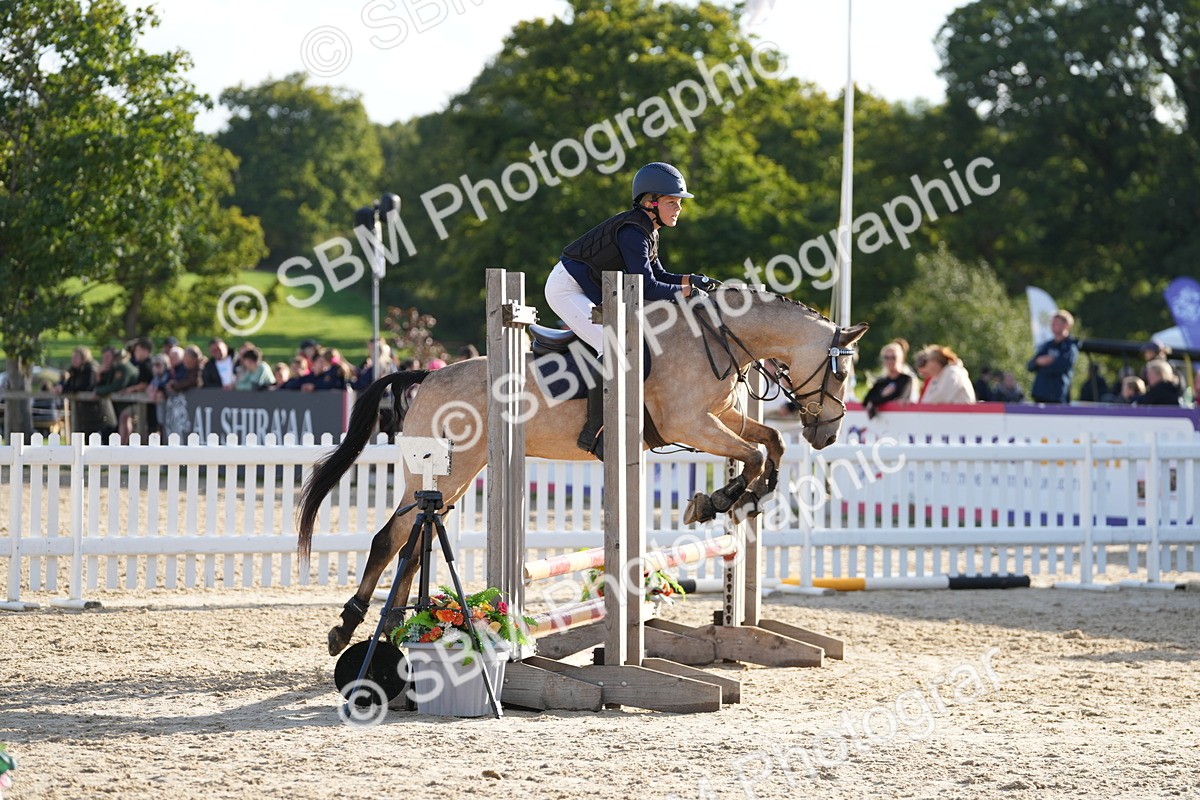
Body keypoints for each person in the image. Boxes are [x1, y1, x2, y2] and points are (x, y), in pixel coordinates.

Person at [544, 161, 713, 458]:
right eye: (672, 202)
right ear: (651, 203)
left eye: (678, 202)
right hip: (567, 289)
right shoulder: (633, 232)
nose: (679, 209)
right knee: (612, 346)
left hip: (586, 287)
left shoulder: (648, 230)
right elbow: (646, 287)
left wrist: (692, 280)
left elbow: (659, 275)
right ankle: (595, 432)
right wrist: (688, 293)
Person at [1026, 309, 1078, 404]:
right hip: (1040, 395)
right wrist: (1039, 362)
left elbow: (1061, 366)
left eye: (1057, 323)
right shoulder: (1047, 345)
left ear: (1066, 325)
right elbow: (1030, 365)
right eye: (1052, 323)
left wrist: (1043, 364)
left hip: (1057, 397)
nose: (1053, 325)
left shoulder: (1069, 347)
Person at [862, 343, 914, 419]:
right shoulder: (880, 382)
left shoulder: (906, 379)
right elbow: (866, 402)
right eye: (887, 357)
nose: (890, 361)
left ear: (900, 359)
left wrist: (880, 399)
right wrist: (883, 395)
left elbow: (902, 400)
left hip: (901, 419)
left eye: (893, 357)